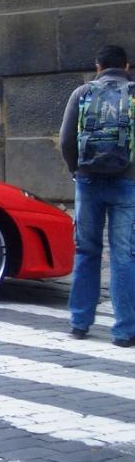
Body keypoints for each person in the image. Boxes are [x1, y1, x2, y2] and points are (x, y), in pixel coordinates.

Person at [59, 44, 135, 347]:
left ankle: (79, 323)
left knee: (86, 251)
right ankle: (124, 330)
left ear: (98, 66)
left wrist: (75, 170)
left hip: (88, 182)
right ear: (126, 67)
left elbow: (66, 139)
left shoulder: (82, 93)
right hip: (127, 182)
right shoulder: (132, 93)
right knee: (123, 254)